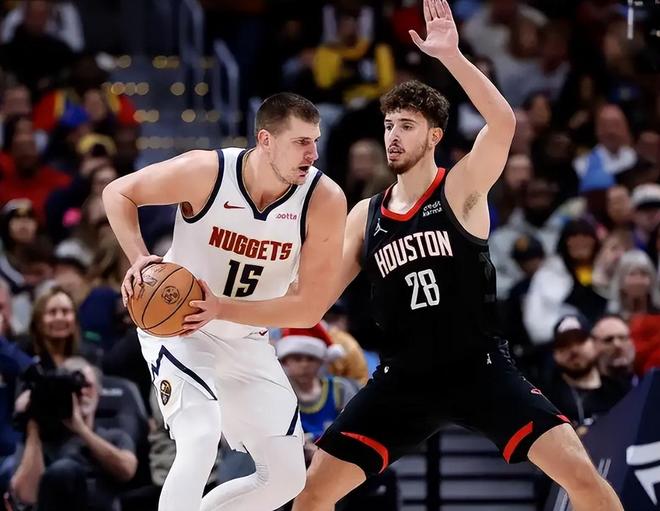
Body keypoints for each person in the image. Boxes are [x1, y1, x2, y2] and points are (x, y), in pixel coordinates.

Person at [291, 2, 624, 510]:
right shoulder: (366, 215)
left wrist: (451, 56)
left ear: (434, 136)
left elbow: (503, 122)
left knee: (581, 474)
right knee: (313, 493)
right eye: (389, 125)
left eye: (406, 125)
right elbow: (312, 303)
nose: (393, 136)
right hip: (404, 377)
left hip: (478, 368)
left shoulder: (461, 188)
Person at [102, 92, 347, 511]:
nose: (313, 154)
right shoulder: (207, 172)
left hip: (246, 337)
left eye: (315, 141)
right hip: (179, 328)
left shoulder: (324, 199)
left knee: (286, 477)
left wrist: (222, 309)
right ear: (266, 140)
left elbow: (310, 308)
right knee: (199, 438)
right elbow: (118, 192)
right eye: (301, 142)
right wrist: (140, 257)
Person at [10, 357, 138, 511]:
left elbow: (127, 470)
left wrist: (81, 430)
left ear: (99, 392)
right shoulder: (40, 441)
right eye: (74, 387)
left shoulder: (114, 437)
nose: (82, 392)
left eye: (87, 386)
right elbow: (26, 496)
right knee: (64, 470)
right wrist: (34, 419)